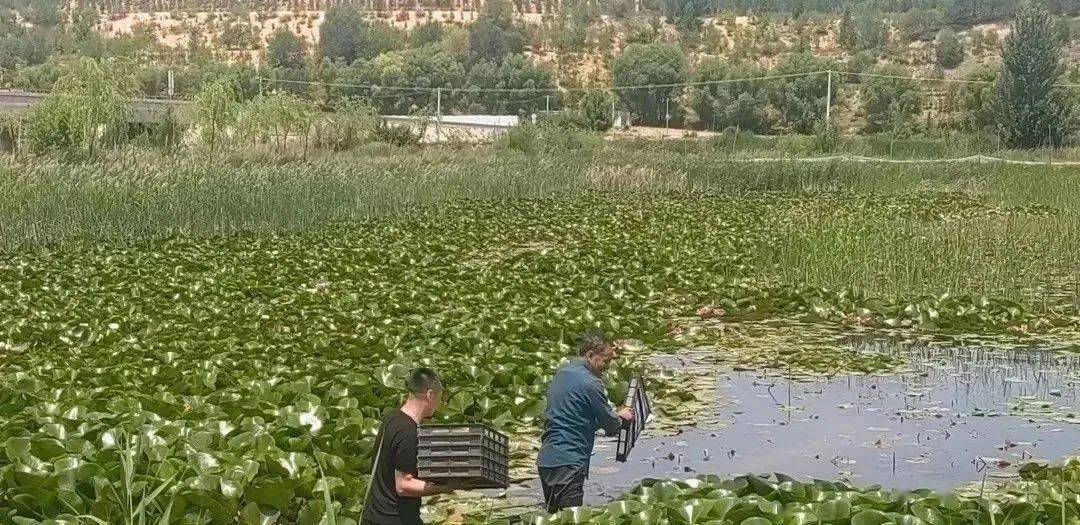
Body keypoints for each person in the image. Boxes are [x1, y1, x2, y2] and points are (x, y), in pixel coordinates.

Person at [537, 331, 635, 513]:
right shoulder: (591, 383)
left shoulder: (561, 373)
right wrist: (621, 417)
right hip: (569, 461)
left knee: (553, 516)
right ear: (590, 356)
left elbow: (576, 418)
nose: (607, 367)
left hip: (546, 460)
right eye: (606, 361)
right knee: (572, 517)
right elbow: (610, 425)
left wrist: (613, 416)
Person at [362, 368, 459, 525]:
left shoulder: (392, 417)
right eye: (440, 398)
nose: (439, 404)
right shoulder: (408, 432)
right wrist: (446, 487)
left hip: (374, 515)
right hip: (393, 519)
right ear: (429, 395)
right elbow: (404, 486)